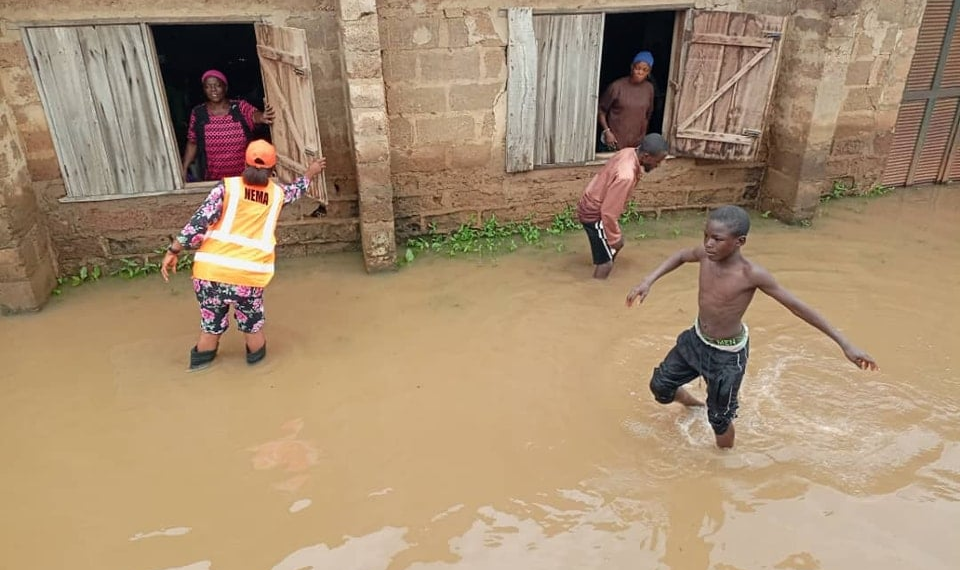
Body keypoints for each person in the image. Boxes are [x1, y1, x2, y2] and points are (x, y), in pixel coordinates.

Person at [625, 205, 879, 448]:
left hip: (727, 356)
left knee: (720, 420)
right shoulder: (705, 256)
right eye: (706, 236)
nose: (708, 244)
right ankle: (694, 405)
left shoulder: (752, 274)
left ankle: (722, 462)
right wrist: (648, 280)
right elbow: (681, 255)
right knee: (661, 385)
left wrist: (845, 343)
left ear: (740, 242)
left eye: (717, 239)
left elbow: (797, 306)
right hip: (697, 339)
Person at [162, 140, 326, 370]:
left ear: (245, 163)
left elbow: (198, 222)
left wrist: (173, 250)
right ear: (273, 169)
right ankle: (259, 377)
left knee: (210, 328)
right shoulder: (277, 195)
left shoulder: (227, 188)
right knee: (252, 327)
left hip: (210, 274)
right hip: (248, 278)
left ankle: (197, 371)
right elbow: (296, 191)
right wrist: (310, 172)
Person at [577, 133, 669, 279]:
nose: (658, 165)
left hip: (591, 201)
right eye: (657, 161)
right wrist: (614, 238)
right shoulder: (626, 175)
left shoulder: (627, 152)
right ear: (645, 156)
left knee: (617, 244)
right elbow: (607, 212)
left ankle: (604, 255)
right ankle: (595, 290)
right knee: (606, 262)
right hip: (594, 214)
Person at [181, 69, 275, 182]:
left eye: (217, 85)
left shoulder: (240, 107)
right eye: (208, 86)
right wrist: (185, 167)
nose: (213, 90)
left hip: (244, 179)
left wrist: (262, 117)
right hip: (213, 180)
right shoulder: (198, 113)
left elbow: (254, 115)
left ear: (225, 87)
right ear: (204, 89)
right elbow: (193, 142)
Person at [598, 51, 656, 152]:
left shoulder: (649, 89)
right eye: (637, 68)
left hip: (636, 145)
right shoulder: (617, 86)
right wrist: (607, 132)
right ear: (632, 67)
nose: (640, 72)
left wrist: (642, 137)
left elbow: (647, 115)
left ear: (649, 72)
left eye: (645, 70)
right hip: (614, 142)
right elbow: (601, 111)